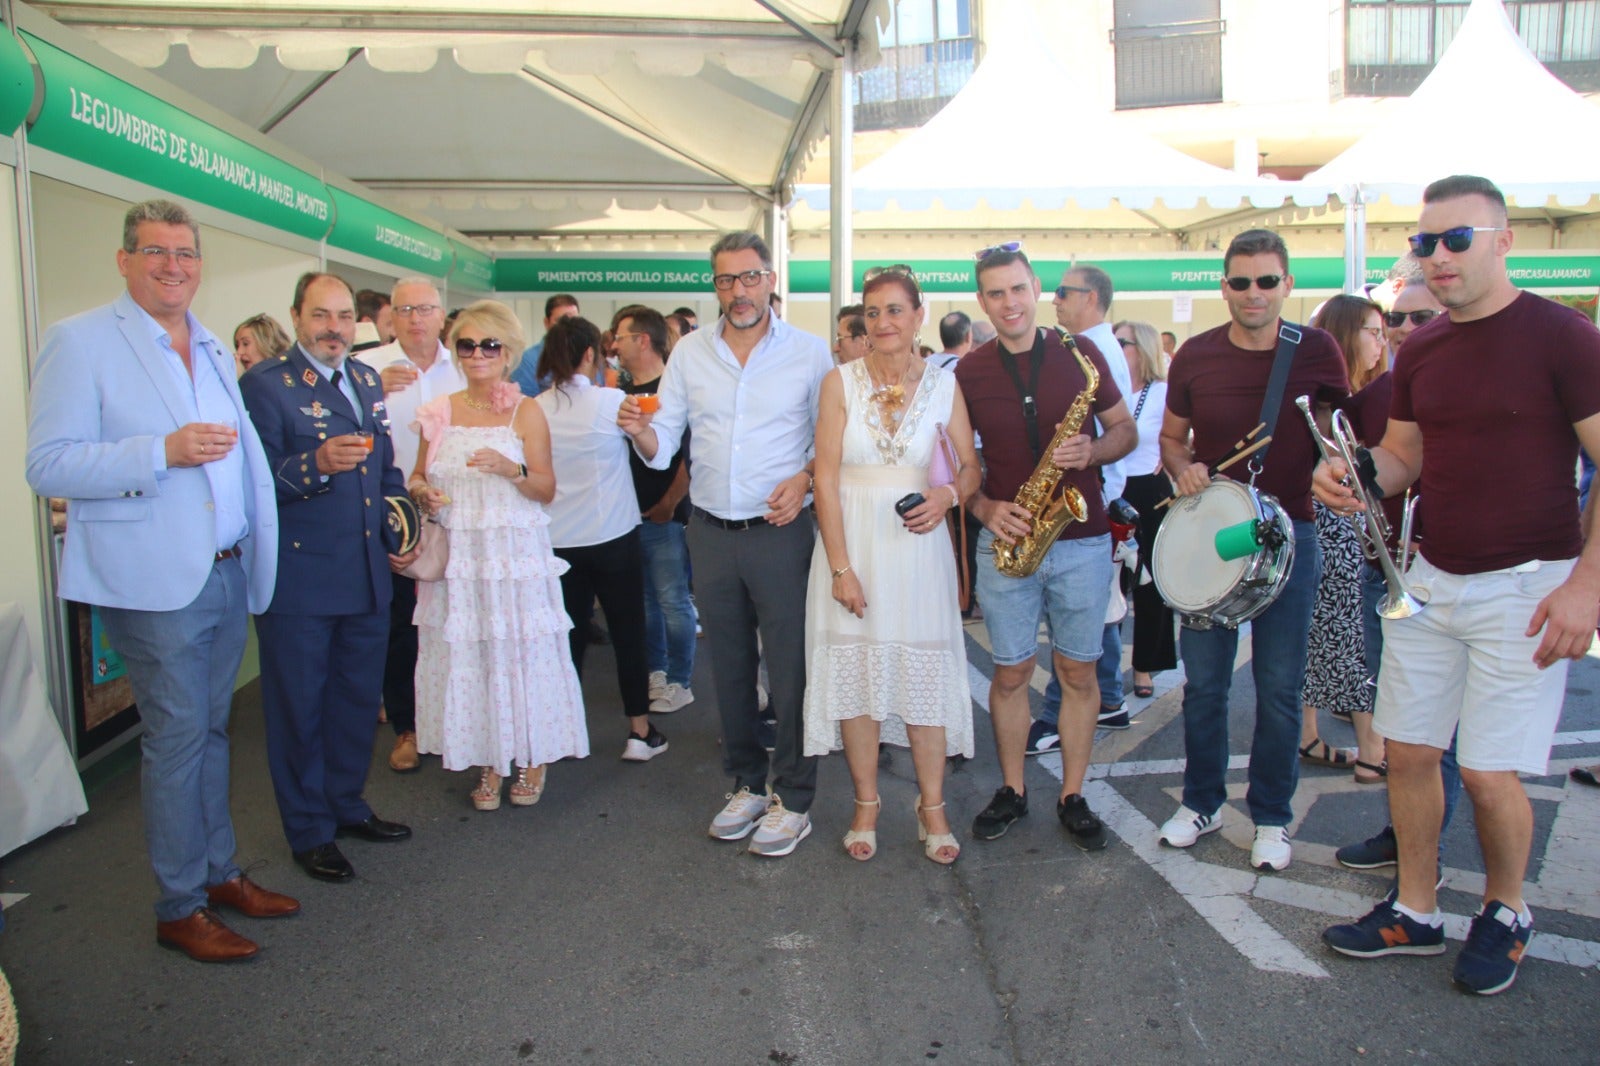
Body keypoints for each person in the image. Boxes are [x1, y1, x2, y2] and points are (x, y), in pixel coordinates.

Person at [1317, 175, 1600, 995]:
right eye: (1424, 243)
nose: (1437, 258)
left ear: (1503, 240)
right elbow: (1406, 457)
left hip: (1528, 583)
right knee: (1408, 754)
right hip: (1431, 578)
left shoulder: (1562, 337)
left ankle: (1507, 911)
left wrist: (1587, 587)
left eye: (1456, 240)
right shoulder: (1426, 347)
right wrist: (1360, 473)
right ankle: (1416, 907)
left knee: (1486, 770)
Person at [26, 198, 298, 963]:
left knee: (209, 731)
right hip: (151, 584)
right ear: (124, 260)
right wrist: (160, 452)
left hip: (221, 571)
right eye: (155, 252)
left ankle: (217, 874)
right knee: (179, 737)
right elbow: (46, 464)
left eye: (185, 253)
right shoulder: (79, 342)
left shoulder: (209, 343)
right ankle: (179, 904)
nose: (173, 266)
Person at [617, 231, 831, 858]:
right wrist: (640, 432)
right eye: (725, 280)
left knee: (789, 671)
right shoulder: (689, 352)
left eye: (749, 278)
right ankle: (746, 782)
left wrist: (806, 479)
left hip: (782, 533)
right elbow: (666, 443)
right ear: (714, 285)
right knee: (730, 669)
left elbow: (831, 439)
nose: (738, 291)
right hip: (708, 531)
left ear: (770, 281)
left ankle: (795, 795)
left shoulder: (809, 353)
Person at [1156, 228, 1349, 872]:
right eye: (1240, 281)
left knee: (1279, 686)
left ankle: (1271, 817)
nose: (1254, 293)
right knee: (1205, 684)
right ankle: (1202, 802)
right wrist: (1181, 469)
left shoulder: (1317, 350)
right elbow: (1172, 440)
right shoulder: (1195, 356)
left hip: (1291, 533)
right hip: (1212, 535)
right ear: (1224, 286)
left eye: (1267, 280)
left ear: (1287, 284)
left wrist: (1335, 460)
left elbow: (1343, 438)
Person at [956, 244, 1136, 849]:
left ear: (1036, 289)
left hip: (1081, 537)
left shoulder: (1081, 353)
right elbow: (957, 461)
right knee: (1010, 675)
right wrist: (982, 507)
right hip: (1007, 536)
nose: (1009, 303)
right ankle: (1012, 790)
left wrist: (1094, 450)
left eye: (1017, 289)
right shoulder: (969, 371)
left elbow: (1125, 429)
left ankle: (1073, 793)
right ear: (982, 300)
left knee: (1078, 671)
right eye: (995, 293)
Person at [240, 272, 415, 884]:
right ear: (296, 317)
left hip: (367, 577)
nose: (335, 328)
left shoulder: (365, 378)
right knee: (300, 710)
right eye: (322, 316)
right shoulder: (265, 385)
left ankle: (345, 804)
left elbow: (385, 471)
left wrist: (404, 528)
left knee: (354, 702)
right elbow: (250, 482)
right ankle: (309, 829)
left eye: (344, 316)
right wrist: (313, 464)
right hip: (302, 582)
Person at [803, 265, 980, 863]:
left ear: (918, 315)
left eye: (895, 310)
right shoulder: (838, 383)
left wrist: (946, 496)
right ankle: (865, 804)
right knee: (856, 683)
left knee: (923, 676)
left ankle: (932, 808)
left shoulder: (944, 386)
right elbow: (824, 479)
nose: (882, 322)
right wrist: (839, 567)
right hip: (852, 545)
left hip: (917, 548)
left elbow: (969, 468)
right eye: (872, 313)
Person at [409, 300, 588, 809]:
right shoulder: (439, 411)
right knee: (475, 654)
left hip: (512, 557)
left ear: (507, 353)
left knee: (520, 654)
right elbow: (417, 476)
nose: (477, 354)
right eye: (467, 344)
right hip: (460, 560)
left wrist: (511, 471)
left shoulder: (525, 410)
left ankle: (531, 755)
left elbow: (546, 488)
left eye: (489, 345)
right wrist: (424, 492)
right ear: (456, 351)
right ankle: (489, 756)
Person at [537, 316, 665, 762]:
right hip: (613, 535)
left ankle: (563, 730)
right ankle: (639, 731)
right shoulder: (614, 401)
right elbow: (653, 454)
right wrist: (643, 430)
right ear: (591, 354)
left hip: (556, 541)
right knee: (629, 633)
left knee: (565, 639)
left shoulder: (534, 408)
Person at [1026, 264, 1137, 756]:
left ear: (1091, 298)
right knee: (1102, 609)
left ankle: (1063, 711)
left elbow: (1117, 430)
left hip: (1097, 497)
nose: (1054, 300)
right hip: (1098, 494)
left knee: (1091, 613)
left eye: (1063, 292)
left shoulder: (1093, 349)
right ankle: (1108, 694)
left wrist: (1093, 470)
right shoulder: (1086, 344)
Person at [358, 279, 453, 773]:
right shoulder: (365, 368)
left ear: (442, 315)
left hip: (455, 514)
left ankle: (455, 723)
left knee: (454, 623)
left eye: (425, 309)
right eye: (405, 310)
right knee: (399, 626)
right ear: (389, 318)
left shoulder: (465, 365)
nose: (416, 318)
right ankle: (408, 727)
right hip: (389, 512)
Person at [1299, 294, 1388, 783]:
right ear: (1346, 334)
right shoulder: (1333, 403)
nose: (1381, 341)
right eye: (1371, 331)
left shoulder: (1349, 396)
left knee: (1324, 631)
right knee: (1345, 632)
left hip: (1335, 524)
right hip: (1331, 525)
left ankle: (1308, 732)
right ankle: (1372, 747)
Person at [615, 306, 696, 714]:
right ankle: (658, 672)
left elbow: (687, 458)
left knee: (673, 601)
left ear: (642, 340)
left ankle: (681, 680)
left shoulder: (673, 389)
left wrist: (668, 504)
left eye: (620, 336)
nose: (613, 345)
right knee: (647, 602)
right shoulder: (623, 391)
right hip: (629, 519)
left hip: (665, 518)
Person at [1111, 320, 1176, 699]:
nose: (1115, 347)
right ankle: (1106, 664)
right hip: (1115, 490)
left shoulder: (1164, 392)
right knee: (1112, 582)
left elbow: (1186, 435)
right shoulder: (1108, 390)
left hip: (1151, 491)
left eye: (1123, 342)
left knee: (1151, 583)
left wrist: (1171, 460)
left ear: (1144, 349)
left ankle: (1145, 666)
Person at [510, 293, 580, 396]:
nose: (568, 326)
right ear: (546, 323)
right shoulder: (527, 361)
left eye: (573, 320)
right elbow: (526, 404)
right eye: (561, 321)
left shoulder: (588, 356)